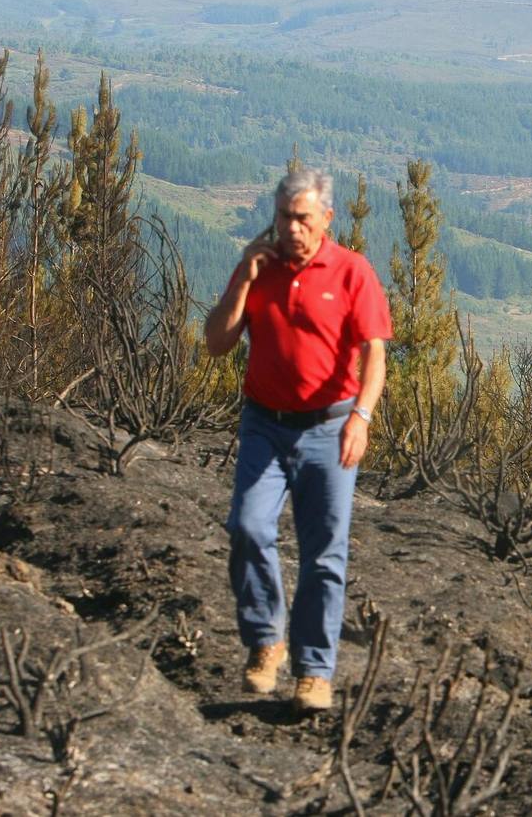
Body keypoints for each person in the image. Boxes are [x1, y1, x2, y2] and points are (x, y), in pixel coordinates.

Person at [204, 168, 391, 715]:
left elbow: (375, 354)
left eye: (304, 219)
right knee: (247, 526)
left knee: (324, 556)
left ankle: (314, 671)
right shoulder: (258, 268)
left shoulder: (353, 271)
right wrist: (243, 278)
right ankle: (267, 640)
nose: (293, 229)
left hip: (330, 428)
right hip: (265, 423)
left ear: (326, 219)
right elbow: (216, 343)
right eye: (285, 217)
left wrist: (362, 416)